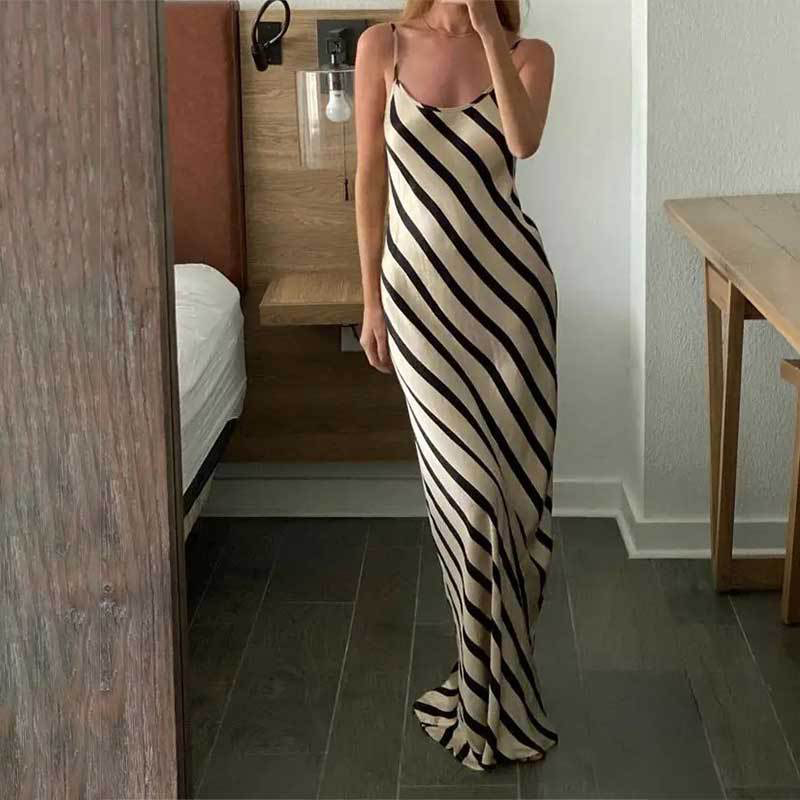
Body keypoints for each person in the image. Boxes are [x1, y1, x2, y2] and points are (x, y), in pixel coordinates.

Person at [354, 0, 558, 772]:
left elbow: (523, 141)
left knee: (515, 502)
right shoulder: (382, 46)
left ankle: (500, 687)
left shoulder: (530, 54)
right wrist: (370, 302)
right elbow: (370, 175)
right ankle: (480, 693)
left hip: (512, 307)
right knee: (466, 504)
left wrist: (488, 33)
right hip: (419, 306)